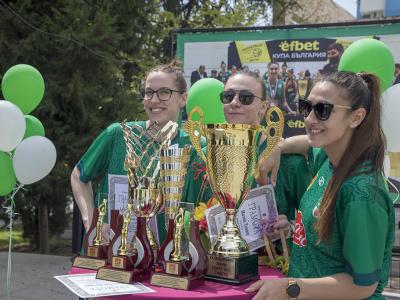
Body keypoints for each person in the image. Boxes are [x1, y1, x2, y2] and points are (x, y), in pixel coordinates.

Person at [248, 71, 395, 299]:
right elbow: (307, 144)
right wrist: (277, 147)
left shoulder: (361, 193)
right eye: (307, 107)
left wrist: (290, 288)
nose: (308, 119)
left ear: (356, 117)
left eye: (323, 110)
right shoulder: (329, 158)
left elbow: (362, 285)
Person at [71, 60, 208, 246]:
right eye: (148, 92)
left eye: (164, 92)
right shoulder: (118, 135)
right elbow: (79, 175)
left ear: (183, 99)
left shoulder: (197, 147)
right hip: (110, 255)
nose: (154, 100)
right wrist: (91, 222)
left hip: (169, 265)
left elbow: (206, 208)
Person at [221, 69, 311, 224]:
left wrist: (289, 227)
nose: (234, 103)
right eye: (228, 96)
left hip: (273, 248)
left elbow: (314, 222)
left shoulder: (288, 160)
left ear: (263, 107)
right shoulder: (208, 155)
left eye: (246, 98)